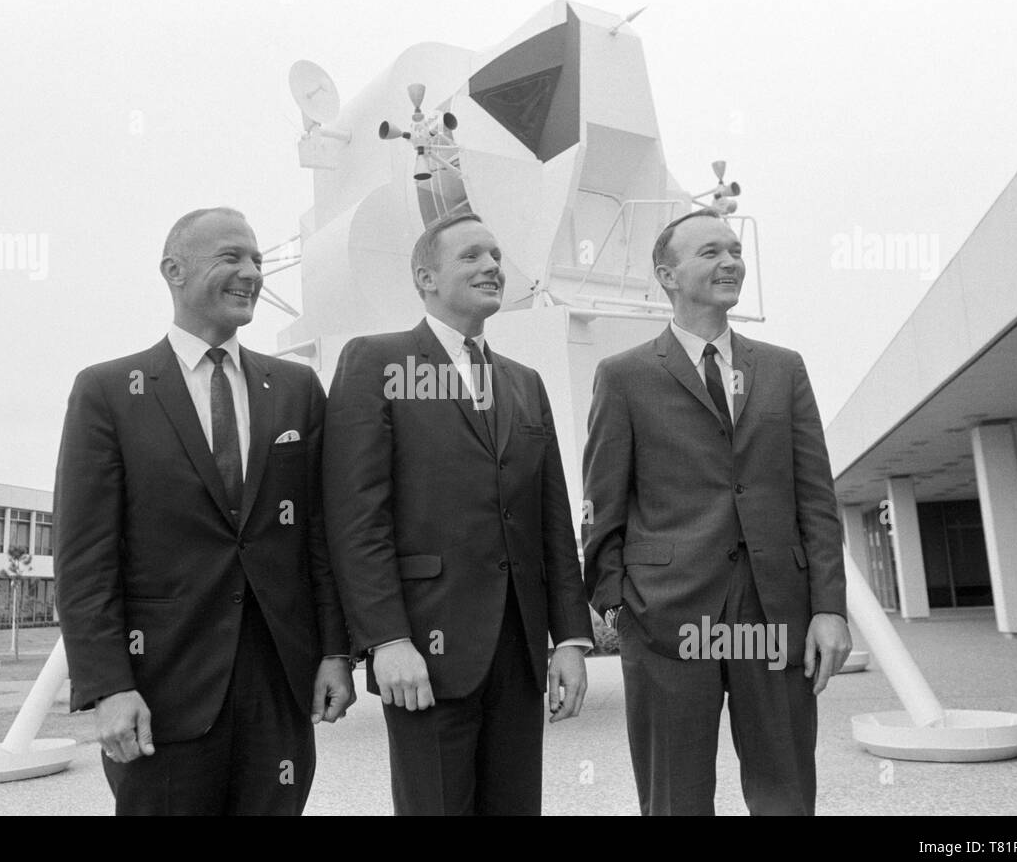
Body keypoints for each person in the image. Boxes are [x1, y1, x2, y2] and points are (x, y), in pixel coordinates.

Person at [54, 206, 354, 816]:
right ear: (173, 270)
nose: (251, 273)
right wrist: (109, 687)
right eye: (231, 258)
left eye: (258, 261)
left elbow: (320, 539)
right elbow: (84, 560)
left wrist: (336, 652)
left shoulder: (296, 389)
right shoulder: (108, 392)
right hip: (161, 693)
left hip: (278, 689)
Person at [323, 211, 594, 815]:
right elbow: (355, 517)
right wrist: (385, 639)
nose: (492, 266)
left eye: (496, 255)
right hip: (423, 651)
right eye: (472, 256)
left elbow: (552, 520)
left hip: (518, 652)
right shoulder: (375, 362)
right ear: (425, 276)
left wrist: (570, 639)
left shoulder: (525, 384)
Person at [583, 208, 851, 816]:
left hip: (775, 610)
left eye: (734, 250)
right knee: (674, 798)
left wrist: (829, 607)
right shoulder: (622, 376)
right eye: (709, 252)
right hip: (663, 617)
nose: (730, 260)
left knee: (786, 794)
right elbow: (603, 502)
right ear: (667, 274)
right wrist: (619, 606)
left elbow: (816, 497)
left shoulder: (784, 368)